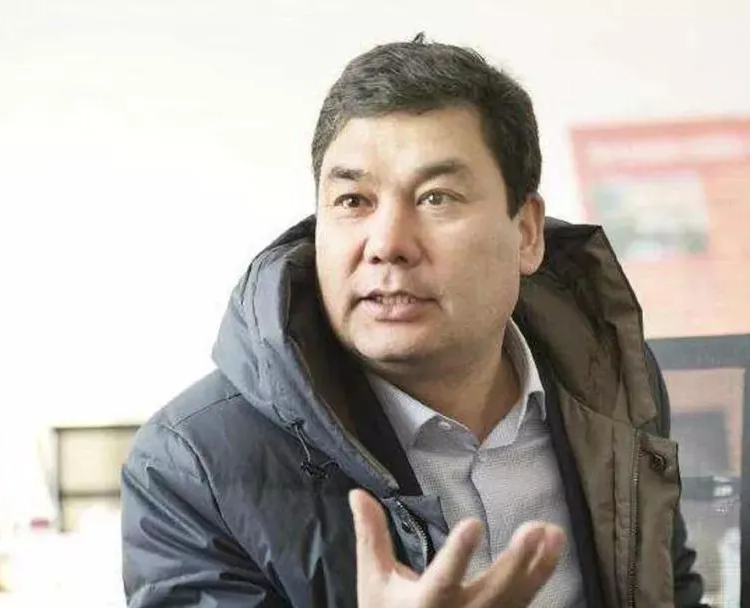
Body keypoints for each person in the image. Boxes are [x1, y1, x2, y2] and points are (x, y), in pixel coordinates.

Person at [121, 34, 706, 608]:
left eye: (436, 198)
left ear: (526, 233)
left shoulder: (605, 381)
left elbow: (667, 591)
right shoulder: (193, 465)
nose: (387, 245)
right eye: (353, 201)